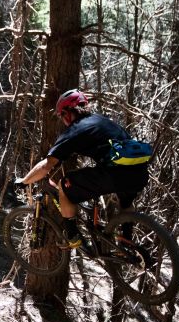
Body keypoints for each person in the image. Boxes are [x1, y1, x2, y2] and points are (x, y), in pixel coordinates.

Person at [15, 89, 150, 250]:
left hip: (114, 175)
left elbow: (47, 165)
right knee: (126, 200)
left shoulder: (76, 130)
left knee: (64, 184)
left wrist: (24, 181)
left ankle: (72, 237)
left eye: (61, 116)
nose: (62, 120)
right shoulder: (103, 121)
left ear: (66, 113)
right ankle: (126, 243)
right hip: (139, 173)